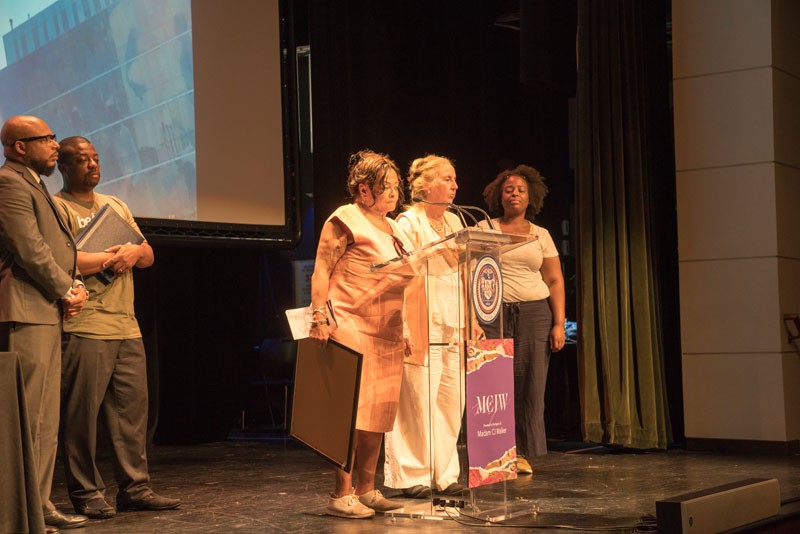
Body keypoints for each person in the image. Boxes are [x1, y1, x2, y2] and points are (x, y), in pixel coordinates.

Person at [53, 136, 181, 519]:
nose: (92, 165)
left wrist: (131, 251)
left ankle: (135, 487)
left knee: (131, 412)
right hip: (85, 324)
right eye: (82, 160)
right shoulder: (56, 207)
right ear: (63, 166)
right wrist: (114, 258)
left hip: (126, 325)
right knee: (81, 415)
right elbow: (64, 259)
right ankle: (86, 492)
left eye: (95, 158)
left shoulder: (115, 205)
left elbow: (147, 254)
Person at [309, 149, 414, 519]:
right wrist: (319, 315)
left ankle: (367, 489)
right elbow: (322, 268)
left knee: (379, 413)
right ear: (363, 187)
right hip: (350, 319)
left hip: (386, 327)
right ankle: (342, 493)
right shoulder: (345, 218)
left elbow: (400, 277)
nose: (393, 193)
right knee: (351, 410)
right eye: (385, 187)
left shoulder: (395, 227)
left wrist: (405, 328)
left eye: (396, 187)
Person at [0, 116, 89, 532]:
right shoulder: (9, 183)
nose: (56, 146)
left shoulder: (34, 183)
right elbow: (28, 249)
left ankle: (39, 503)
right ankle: (25, 512)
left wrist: (70, 285)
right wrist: (65, 288)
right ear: (19, 147)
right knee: (30, 415)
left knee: (46, 416)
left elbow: (54, 246)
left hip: (45, 308)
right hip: (25, 309)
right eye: (47, 139)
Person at [383, 155, 467, 498]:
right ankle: (411, 474)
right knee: (416, 399)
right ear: (425, 185)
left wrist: (472, 319)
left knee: (450, 399)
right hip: (422, 321)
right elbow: (401, 273)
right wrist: (402, 325)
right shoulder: (408, 221)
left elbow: (464, 273)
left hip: (453, 322)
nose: (455, 185)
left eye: (454, 179)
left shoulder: (455, 220)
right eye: (447, 178)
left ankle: (444, 473)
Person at [479, 164, 565, 475]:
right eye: (508, 189)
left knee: (531, 385)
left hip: (534, 314)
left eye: (521, 190)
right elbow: (469, 277)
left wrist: (558, 323)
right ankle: (495, 453)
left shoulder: (540, 235)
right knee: (493, 384)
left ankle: (523, 452)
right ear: (498, 196)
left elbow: (554, 280)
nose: (514, 194)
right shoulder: (483, 229)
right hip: (492, 314)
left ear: (531, 198)